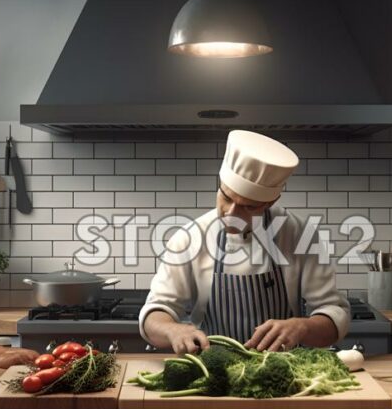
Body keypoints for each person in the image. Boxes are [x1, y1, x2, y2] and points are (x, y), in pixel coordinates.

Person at [139, 130, 350, 354]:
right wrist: (173, 330)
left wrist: (303, 327)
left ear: (271, 201)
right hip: (213, 375)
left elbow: (334, 313)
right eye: (226, 197)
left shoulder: (299, 235)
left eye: (249, 206)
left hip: (285, 373)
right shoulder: (190, 238)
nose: (232, 213)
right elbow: (155, 312)